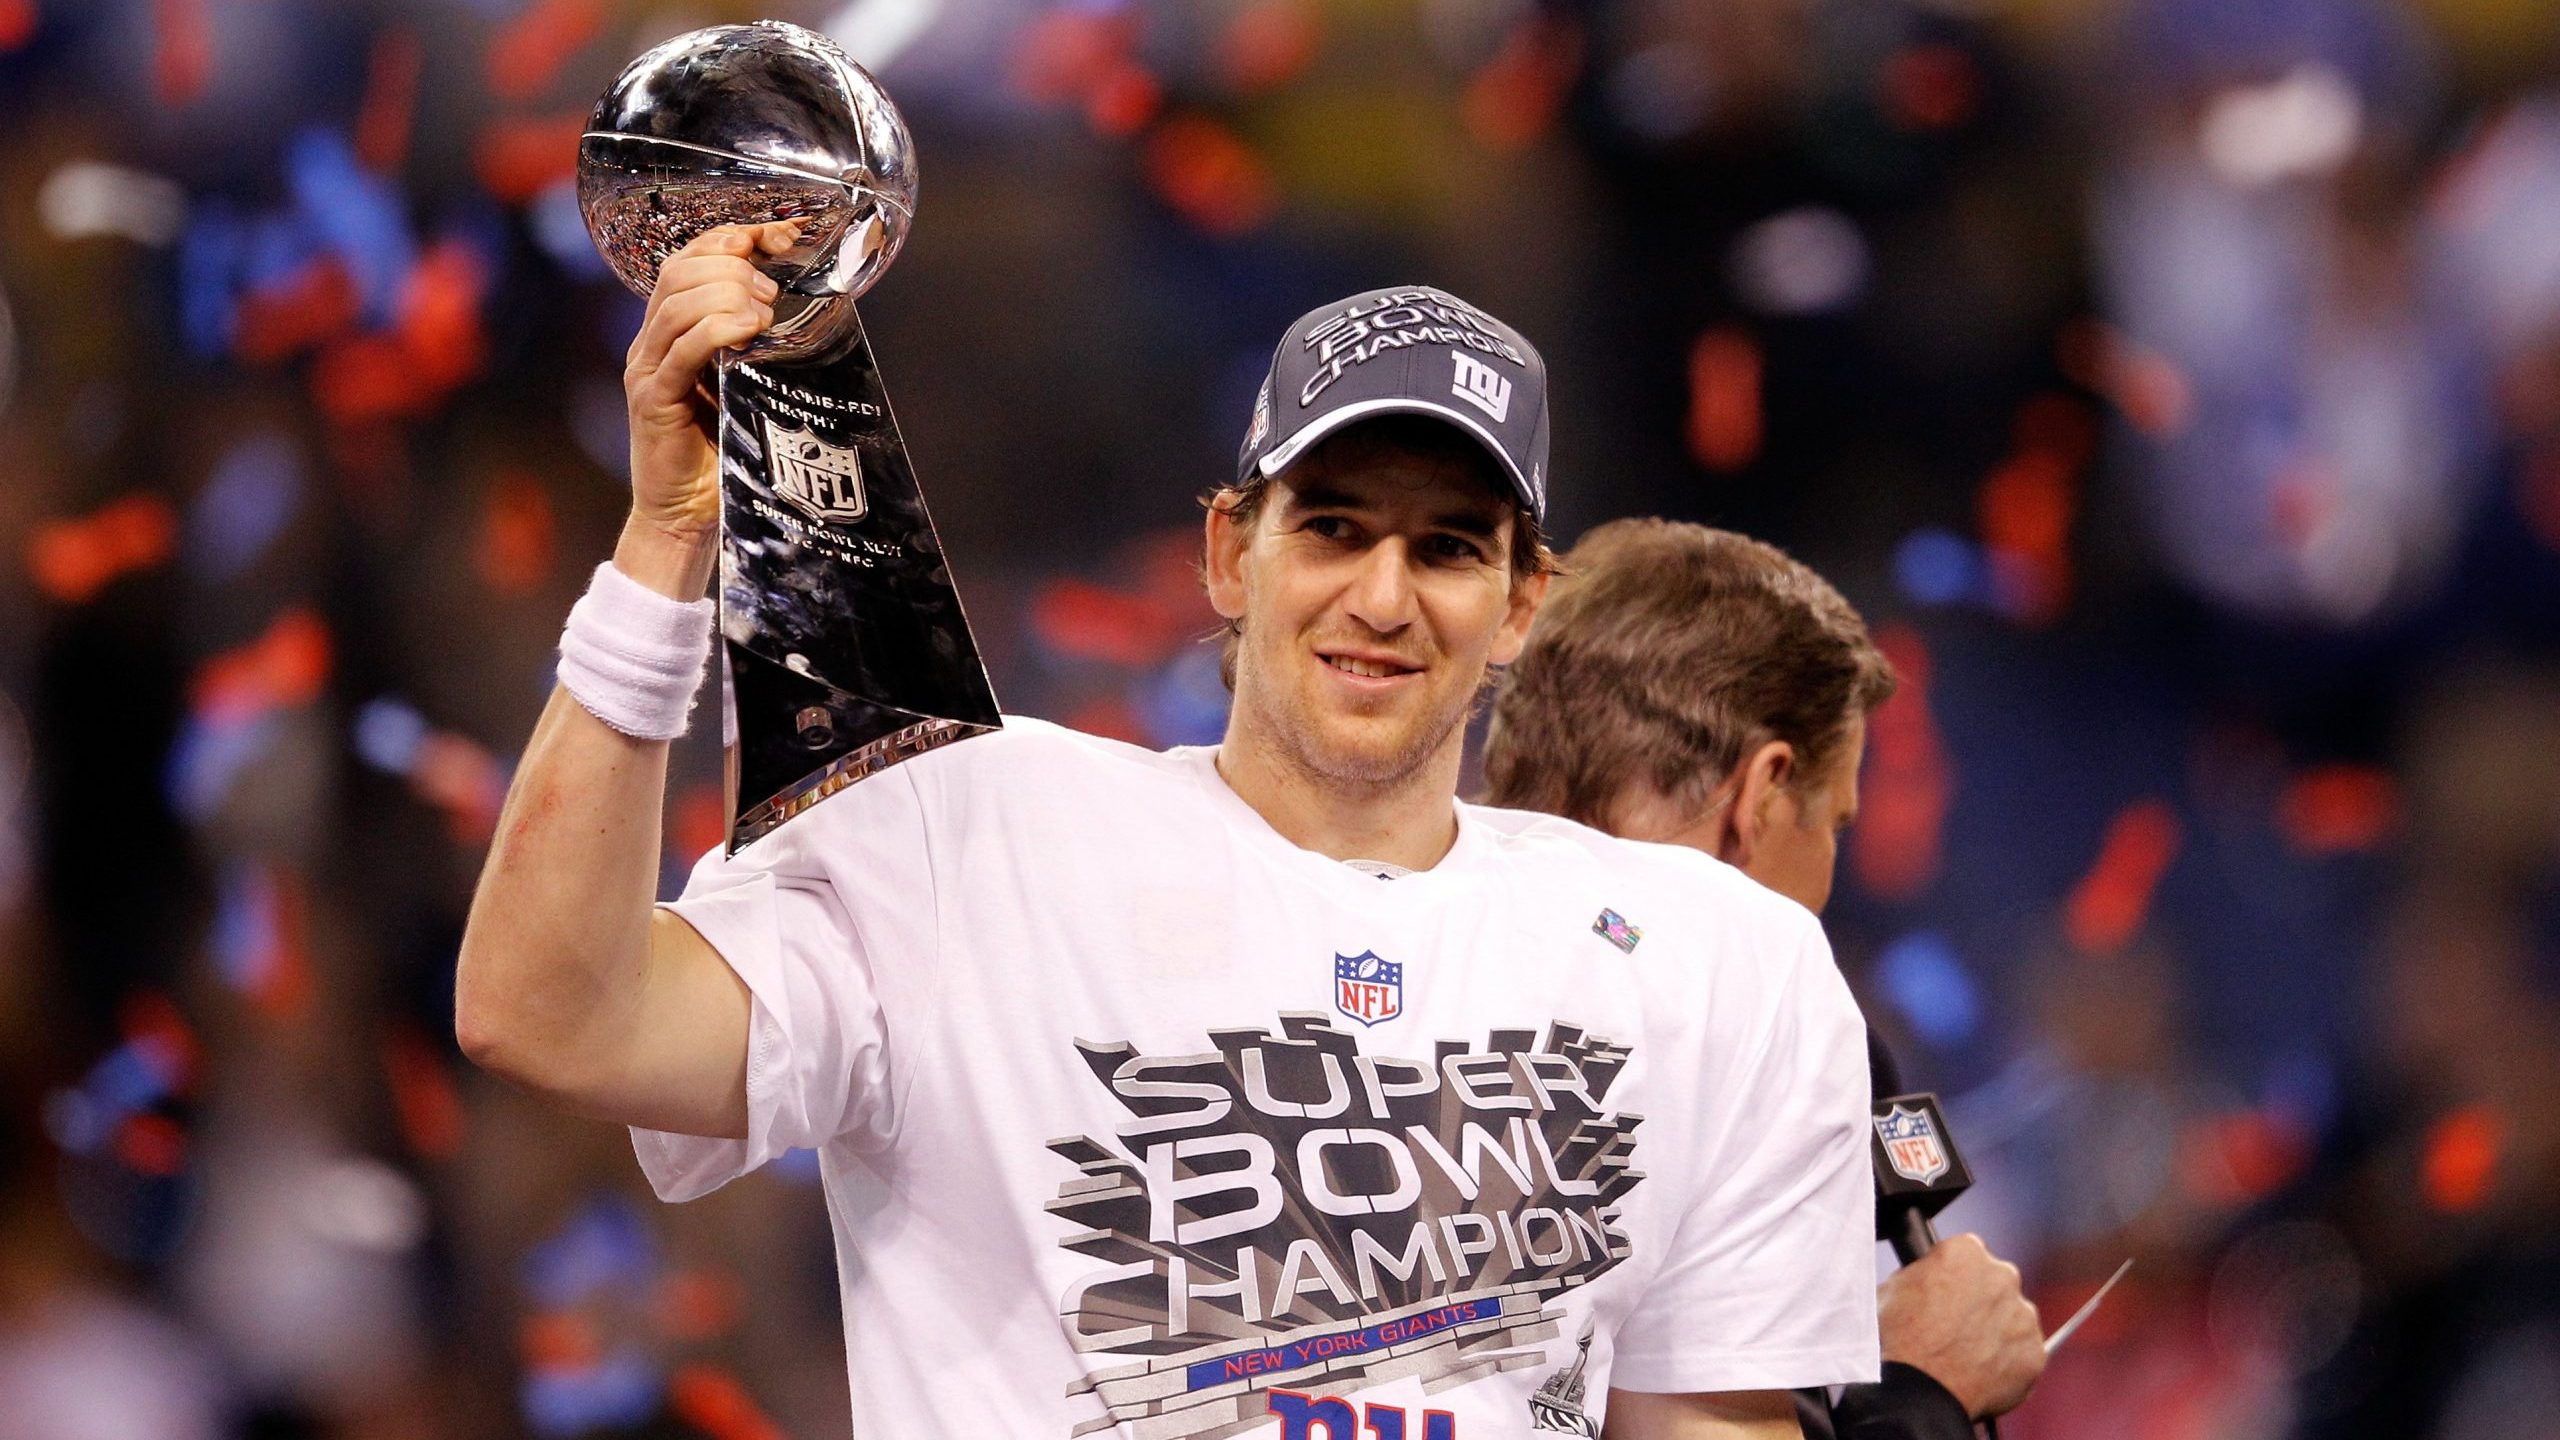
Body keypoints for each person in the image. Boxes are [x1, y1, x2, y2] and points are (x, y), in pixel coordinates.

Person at [456, 232, 1882, 1439]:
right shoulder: (967, 834)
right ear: (1226, 553)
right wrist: (666, 548)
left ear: (1520, 601)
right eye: (1331, 528)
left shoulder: (1720, 963)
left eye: (1448, 546)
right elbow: (552, 1014)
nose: (1385, 597)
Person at [1483, 519, 2049, 1440]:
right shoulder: (1736, 1024)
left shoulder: (1355, 971)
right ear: (1762, 796)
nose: (1826, 876)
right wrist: (1919, 1395)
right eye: (1831, 821)